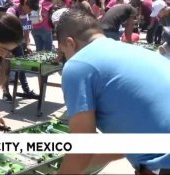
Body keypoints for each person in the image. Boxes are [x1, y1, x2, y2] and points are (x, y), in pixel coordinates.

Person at [55, 7, 170, 174]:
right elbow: (125, 144)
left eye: (64, 52)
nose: (66, 58)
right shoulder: (137, 52)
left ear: (70, 43)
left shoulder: (79, 65)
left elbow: (82, 143)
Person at [3, 0, 40, 102]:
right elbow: (5, 30)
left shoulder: (31, 12)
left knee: (21, 65)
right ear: (25, 3)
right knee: (6, 68)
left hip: (18, 43)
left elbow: (28, 29)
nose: (32, 10)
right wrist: (8, 49)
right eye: (31, 7)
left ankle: (26, 90)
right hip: (8, 43)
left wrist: (27, 44)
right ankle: (6, 92)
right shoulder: (12, 11)